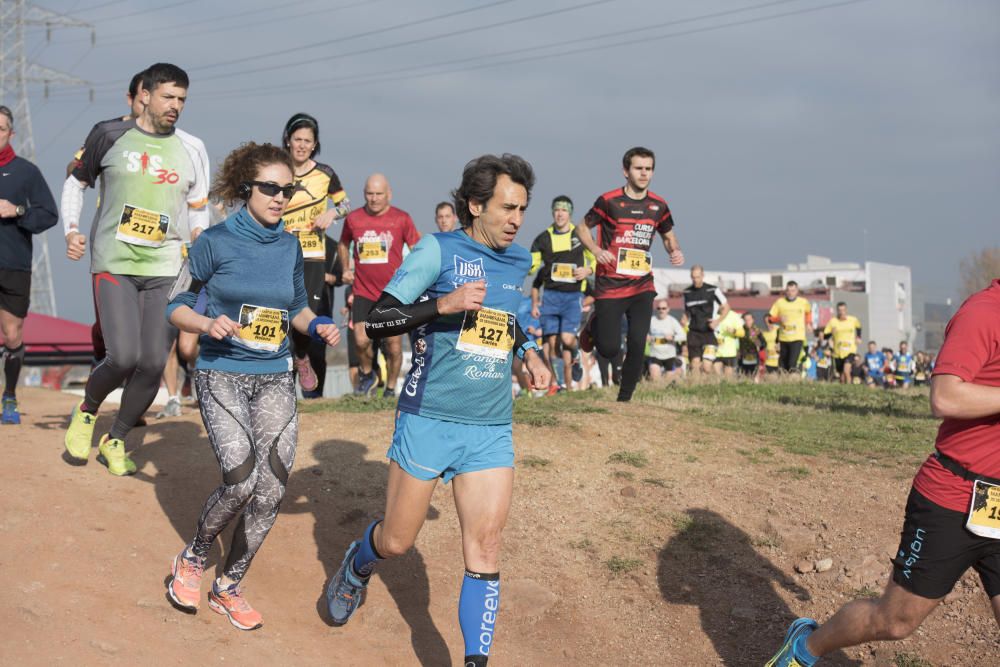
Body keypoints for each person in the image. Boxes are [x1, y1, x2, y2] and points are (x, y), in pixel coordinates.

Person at [325, 154, 549, 667]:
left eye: (522, 209)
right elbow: (378, 321)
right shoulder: (437, 250)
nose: (517, 219)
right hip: (428, 418)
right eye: (507, 207)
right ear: (475, 206)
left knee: (486, 548)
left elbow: (508, 320)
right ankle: (358, 565)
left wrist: (529, 354)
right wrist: (441, 307)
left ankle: (475, 661)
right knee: (398, 542)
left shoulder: (518, 261)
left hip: (489, 425)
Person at [766, 278, 1000, 666]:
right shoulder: (984, 314)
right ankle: (805, 647)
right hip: (954, 497)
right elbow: (945, 396)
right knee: (894, 621)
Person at [163, 142, 340, 630]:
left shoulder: (289, 245)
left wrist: (317, 323)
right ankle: (193, 559)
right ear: (246, 189)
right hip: (221, 373)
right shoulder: (214, 242)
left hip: (274, 378)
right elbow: (176, 304)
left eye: (288, 190)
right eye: (270, 188)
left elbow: (295, 308)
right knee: (240, 480)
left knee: (271, 489)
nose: (280, 197)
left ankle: (229, 586)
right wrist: (205, 325)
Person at [62, 63, 208, 475]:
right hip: (115, 260)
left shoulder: (192, 147)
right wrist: (72, 230)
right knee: (123, 356)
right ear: (144, 95)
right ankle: (88, 411)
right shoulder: (108, 134)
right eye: (168, 97)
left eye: (182, 99)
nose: (175, 106)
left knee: (152, 361)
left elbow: (199, 207)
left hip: (166, 265)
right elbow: (76, 182)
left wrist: (202, 246)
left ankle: (118, 437)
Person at [576, 146, 684, 402]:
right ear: (626, 171)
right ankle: (594, 325)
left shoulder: (658, 206)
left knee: (637, 342)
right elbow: (581, 227)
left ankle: (625, 398)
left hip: (641, 286)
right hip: (610, 284)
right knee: (609, 347)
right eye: (638, 168)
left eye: (648, 169)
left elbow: (668, 236)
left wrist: (675, 251)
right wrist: (596, 250)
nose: (644, 173)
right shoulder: (609, 201)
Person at [280, 113, 350, 396]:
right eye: (297, 139)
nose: (301, 145)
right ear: (288, 139)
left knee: (304, 311)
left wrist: (332, 213)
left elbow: (345, 204)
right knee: (279, 312)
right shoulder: (277, 168)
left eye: (307, 141)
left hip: (312, 254)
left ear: (314, 144)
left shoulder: (325, 173)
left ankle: (302, 358)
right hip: (280, 251)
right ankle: (280, 376)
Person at [0, 105, 59, 424]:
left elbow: (49, 214)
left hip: (13, 264)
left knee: (12, 334)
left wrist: (17, 211)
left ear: (11, 133)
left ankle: (9, 396)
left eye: (0, 128)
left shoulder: (26, 172)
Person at [338, 173, 420, 397]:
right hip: (363, 291)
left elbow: (417, 249)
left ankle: (391, 388)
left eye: (378, 194)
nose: (373, 199)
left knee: (393, 346)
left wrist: (417, 277)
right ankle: (368, 374)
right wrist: (345, 268)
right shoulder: (354, 219)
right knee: (361, 341)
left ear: (389, 194)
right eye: (369, 194)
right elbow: (343, 243)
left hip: (393, 293)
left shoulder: (401, 219)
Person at [529, 195, 593, 393]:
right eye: (556, 210)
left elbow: (596, 258)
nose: (560, 214)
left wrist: (588, 271)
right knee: (553, 346)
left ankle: (577, 350)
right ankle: (560, 387)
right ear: (552, 212)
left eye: (564, 210)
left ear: (570, 213)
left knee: (567, 339)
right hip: (550, 296)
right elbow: (532, 266)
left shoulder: (580, 235)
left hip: (572, 296)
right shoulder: (543, 238)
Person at [682, 265, 729, 376]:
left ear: (703, 276)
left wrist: (717, 321)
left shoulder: (712, 290)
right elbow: (686, 312)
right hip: (693, 332)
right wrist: (684, 319)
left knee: (707, 366)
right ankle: (697, 389)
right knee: (694, 364)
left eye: (698, 277)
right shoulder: (686, 293)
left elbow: (726, 307)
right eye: (693, 277)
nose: (695, 280)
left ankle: (716, 383)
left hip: (709, 332)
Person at [768, 281, 812, 373]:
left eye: (793, 290)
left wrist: (808, 323)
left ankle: (792, 381)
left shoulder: (803, 302)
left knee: (792, 362)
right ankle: (785, 382)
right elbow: (770, 318)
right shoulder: (779, 302)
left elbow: (808, 312)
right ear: (785, 291)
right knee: (783, 364)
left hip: (797, 337)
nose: (790, 293)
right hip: (784, 337)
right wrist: (778, 319)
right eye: (788, 290)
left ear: (797, 291)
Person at [822, 302, 862, 384]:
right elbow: (825, 336)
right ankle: (843, 389)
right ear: (837, 311)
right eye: (839, 310)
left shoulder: (852, 320)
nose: (841, 312)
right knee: (841, 375)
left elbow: (859, 327)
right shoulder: (833, 321)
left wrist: (858, 337)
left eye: (843, 310)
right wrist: (831, 333)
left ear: (846, 310)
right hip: (838, 352)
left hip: (850, 350)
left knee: (846, 370)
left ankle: (849, 389)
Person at [646, 300, 685, 382]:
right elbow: (642, 332)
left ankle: (677, 375)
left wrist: (673, 337)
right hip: (655, 354)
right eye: (659, 308)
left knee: (668, 381)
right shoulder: (652, 320)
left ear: (668, 309)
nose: (661, 310)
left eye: (664, 308)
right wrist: (647, 337)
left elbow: (683, 336)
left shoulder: (672, 321)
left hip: (669, 355)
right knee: (654, 376)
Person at [712, 307, 744, 378]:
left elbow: (742, 333)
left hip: (729, 352)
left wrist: (734, 331)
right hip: (715, 352)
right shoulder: (712, 313)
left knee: (728, 379)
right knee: (717, 377)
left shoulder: (734, 315)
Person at [737, 311, 765, 380]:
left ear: (753, 320)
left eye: (749, 319)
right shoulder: (740, 330)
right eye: (745, 320)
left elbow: (764, 343)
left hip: (754, 357)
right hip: (742, 357)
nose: (747, 322)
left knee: (753, 377)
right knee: (742, 377)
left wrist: (759, 345)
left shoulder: (756, 330)